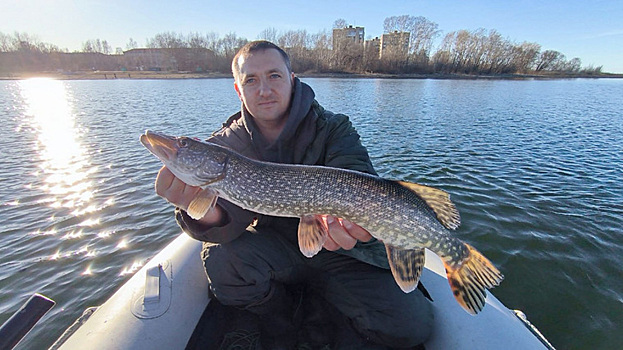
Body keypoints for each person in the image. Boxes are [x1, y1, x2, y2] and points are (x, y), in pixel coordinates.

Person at [154, 40, 433, 349]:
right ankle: (283, 311)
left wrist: (359, 227)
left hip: (343, 253)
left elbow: (359, 178)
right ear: (238, 89)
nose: (264, 89)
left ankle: (328, 301)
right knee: (221, 261)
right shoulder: (225, 146)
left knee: (412, 325)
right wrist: (196, 207)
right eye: (251, 80)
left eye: (274, 75)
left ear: (292, 79)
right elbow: (230, 224)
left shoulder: (333, 128)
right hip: (279, 250)